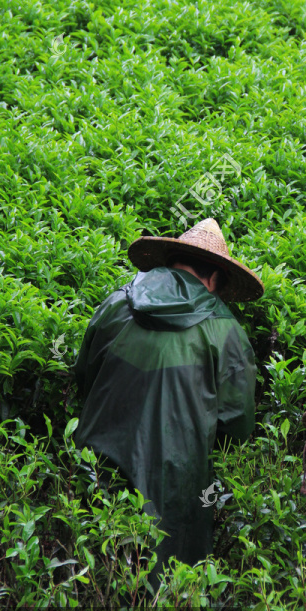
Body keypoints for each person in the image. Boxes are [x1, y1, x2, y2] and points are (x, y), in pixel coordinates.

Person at [73, 217, 264, 591]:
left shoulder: (114, 304)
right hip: (176, 481)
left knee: (88, 570)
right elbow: (237, 424)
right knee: (164, 589)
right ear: (214, 278)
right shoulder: (225, 330)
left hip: (96, 462)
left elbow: (84, 375)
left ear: (170, 261)